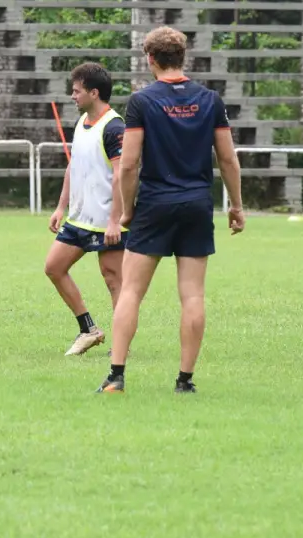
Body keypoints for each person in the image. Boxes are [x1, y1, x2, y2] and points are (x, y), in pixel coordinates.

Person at [98, 27, 244, 395]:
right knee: (192, 295)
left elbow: (128, 165)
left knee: (131, 291)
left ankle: (116, 376)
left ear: (150, 58)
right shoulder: (210, 100)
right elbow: (228, 159)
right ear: (183, 56)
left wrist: (126, 210)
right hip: (196, 204)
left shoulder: (142, 101)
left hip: (155, 203)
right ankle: (184, 380)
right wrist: (236, 205)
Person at [45, 62, 126, 356]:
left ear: (94, 93)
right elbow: (74, 165)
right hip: (79, 218)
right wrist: (61, 207)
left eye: (77, 90)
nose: (72, 95)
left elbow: (121, 175)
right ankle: (89, 329)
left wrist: (115, 221)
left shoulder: (115, 127)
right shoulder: (81, 122)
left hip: (107, 220)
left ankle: (121, 346)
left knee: (114, 280)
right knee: (54, 268)